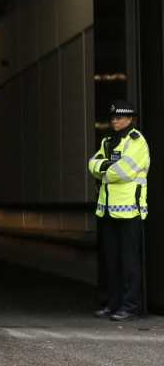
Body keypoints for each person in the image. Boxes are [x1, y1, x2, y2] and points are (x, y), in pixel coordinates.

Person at [88, 100, 149, 321]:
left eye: (119, 118)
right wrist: (105, 167)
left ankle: (129, 306)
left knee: (129, 262)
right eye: (112, 118)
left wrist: (103, 168)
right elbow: (91, 165)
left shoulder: (137, 142)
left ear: (130, 119)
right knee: (111, 261)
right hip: (107, 211)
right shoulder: (107, 141)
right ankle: (112, 303)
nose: (114, 121)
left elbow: (123, 172)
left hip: (130, 211)